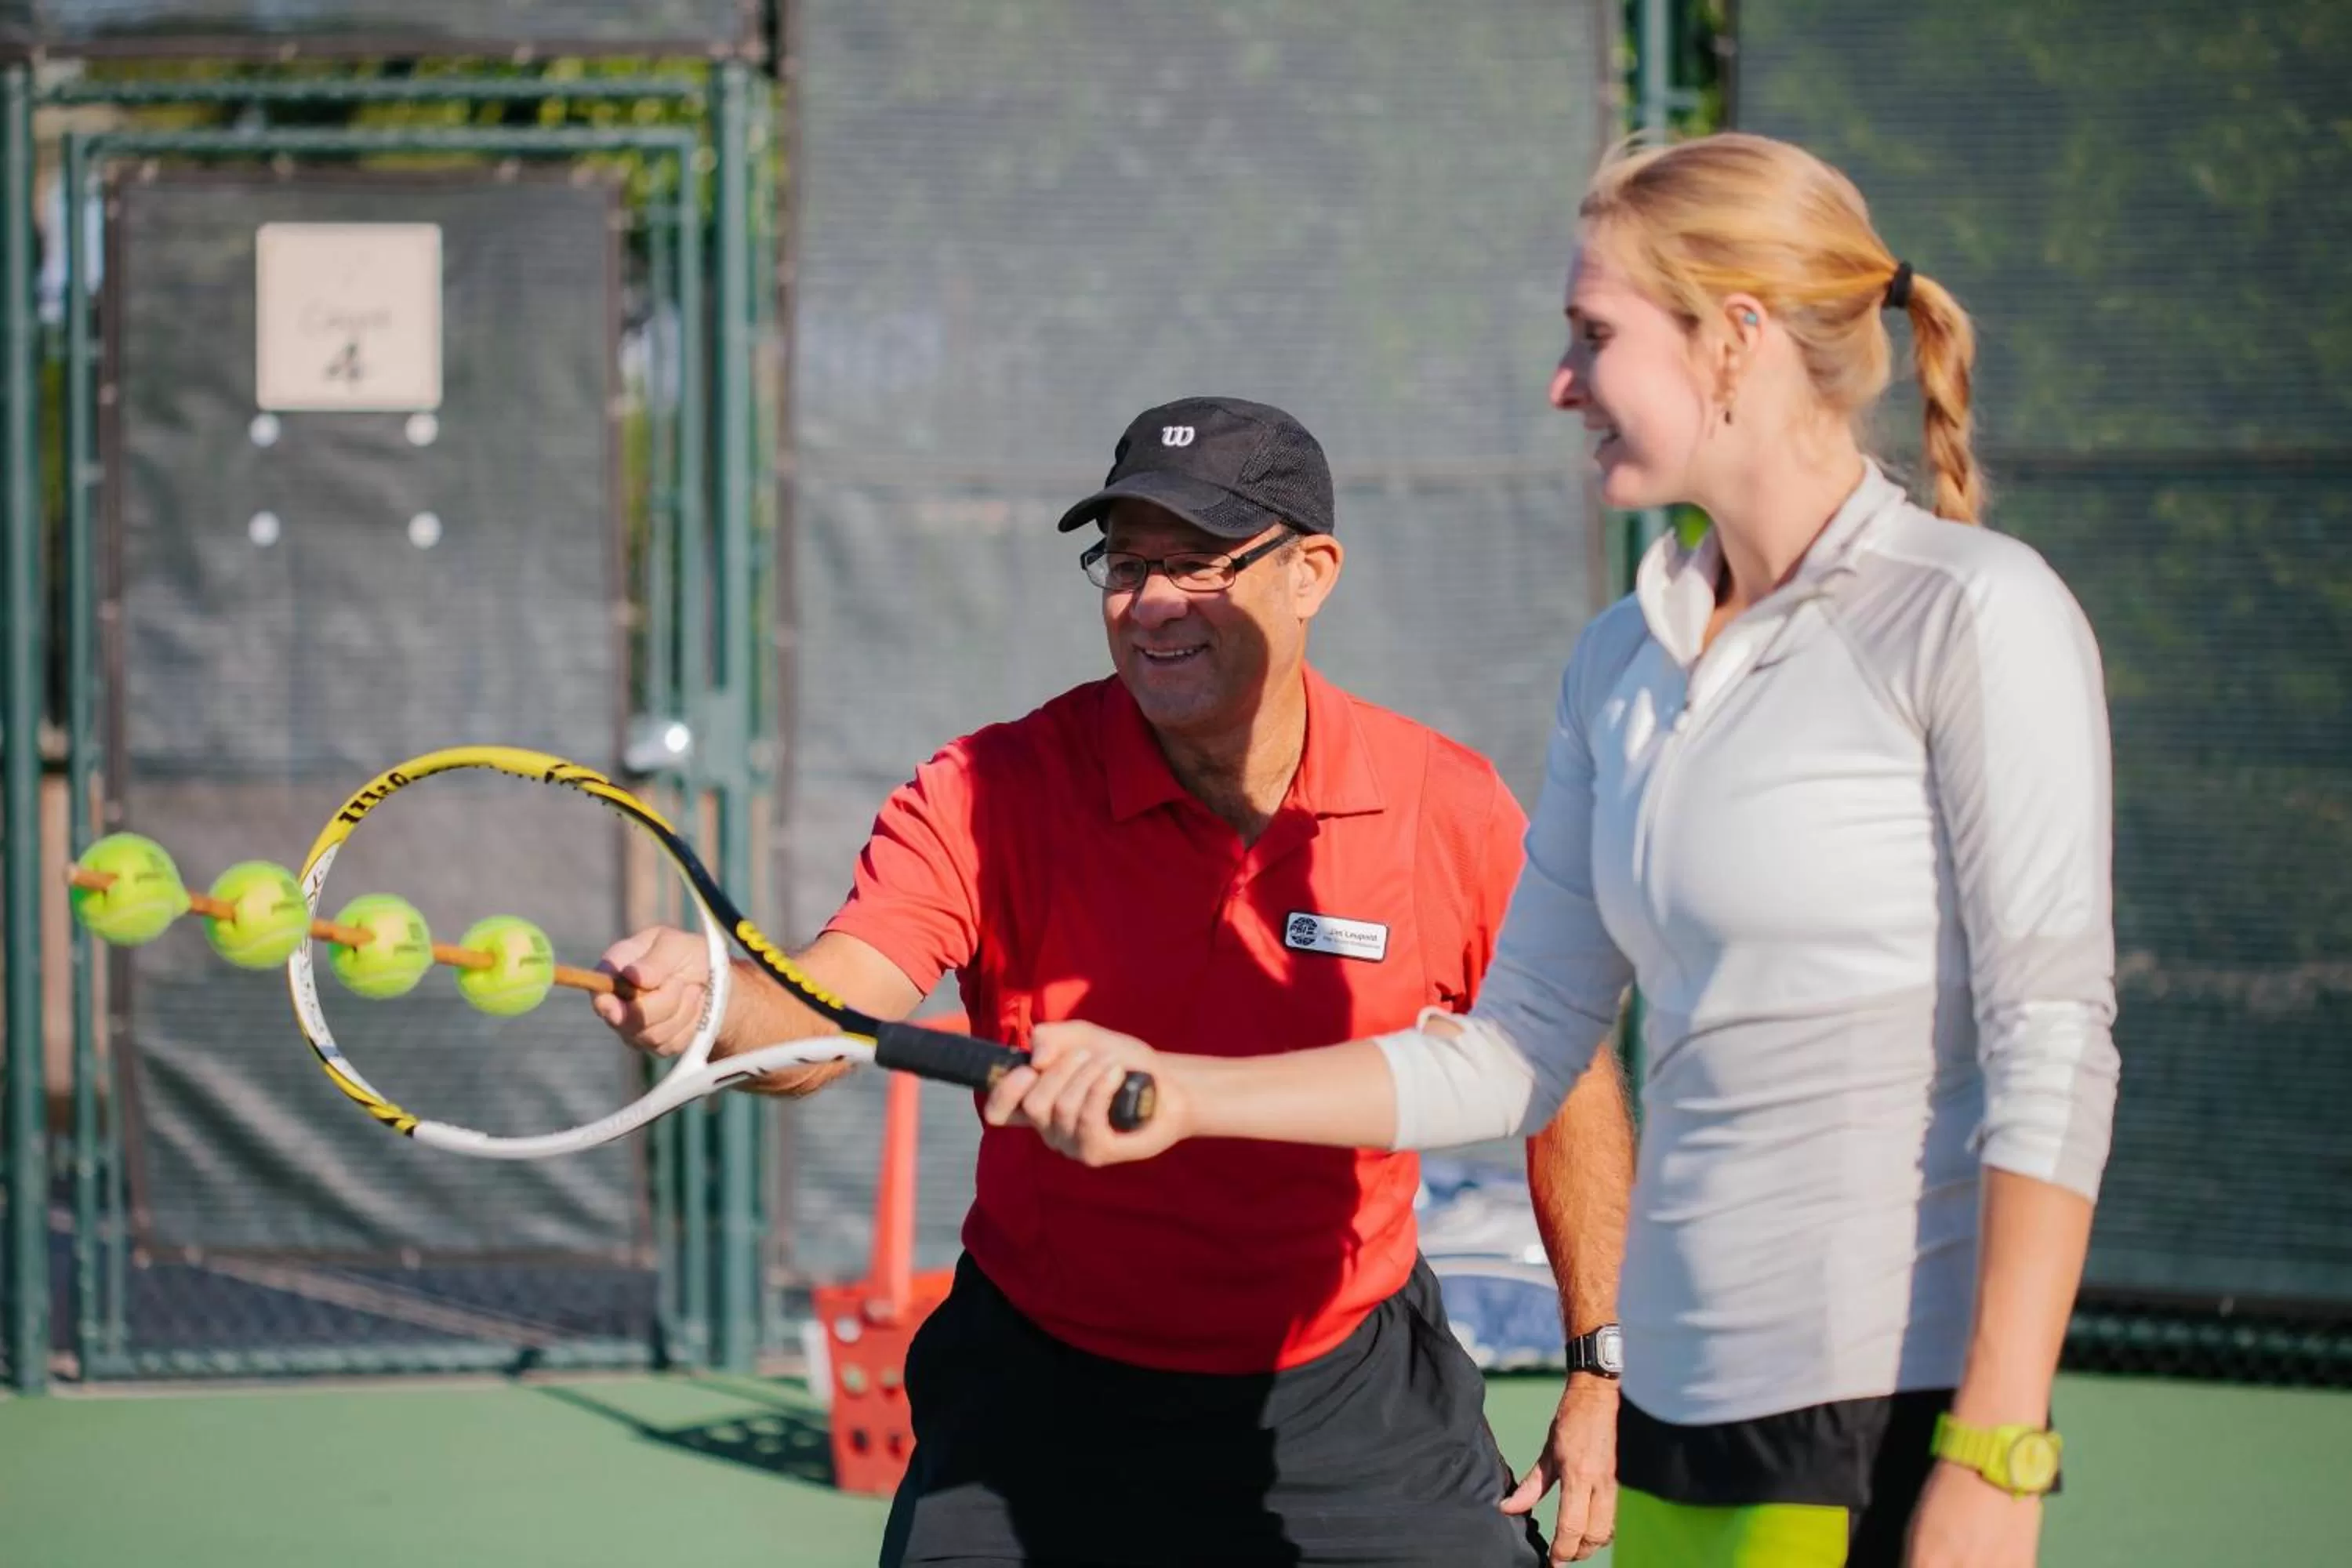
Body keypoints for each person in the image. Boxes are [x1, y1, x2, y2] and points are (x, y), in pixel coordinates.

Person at [996, 135, 2122, 1568]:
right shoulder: (1624, 664)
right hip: (1688, 1405)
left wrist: (1995, 1448)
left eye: (1596, 336)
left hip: (1894, 1407)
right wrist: (1191, 1095)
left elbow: (2053, 1046)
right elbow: (1516, 1047)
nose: (1563, 383)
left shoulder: (1975, 614)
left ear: (1736, 341)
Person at [593, 394, 1637, 1566]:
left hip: (1347, 1390)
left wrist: (1597, 1365)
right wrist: (717, 1003)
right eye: (1126, 564)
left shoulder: (1442, 804)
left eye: (1197, 565)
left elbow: (1571, 1080)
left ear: (1312, 572)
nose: (1150, 605)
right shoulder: (988, 791)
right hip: (1042, 1389)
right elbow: (831, 1010)